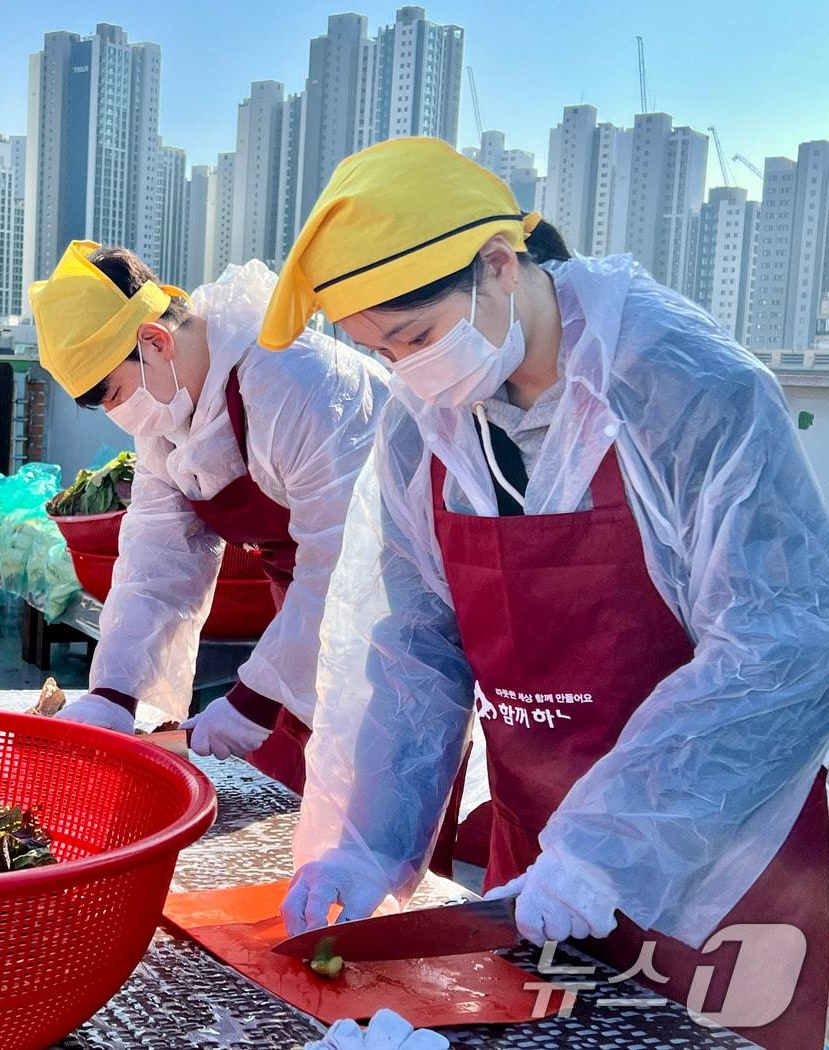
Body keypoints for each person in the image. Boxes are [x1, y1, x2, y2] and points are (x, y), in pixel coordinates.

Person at [264, 138, 828, 1049]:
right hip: (538, 858)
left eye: (413, 338)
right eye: (380, 350)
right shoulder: (428, 427)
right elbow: (417, 649)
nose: (408, 371)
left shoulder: (689, 389)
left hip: (721, 855)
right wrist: (372, 839)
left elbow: (781, 647)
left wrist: (612, 843)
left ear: (498, 264)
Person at [29, 241, 389, 793]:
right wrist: (113, 692)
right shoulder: (168, 419)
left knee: (375, 796)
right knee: (297, 794)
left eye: (115, 393)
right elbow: (156, 562)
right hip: (301, 614)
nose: (118, 415)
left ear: (155, 340)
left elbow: (343, 564)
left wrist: (257, 696)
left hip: (392, 614)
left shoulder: (295, 383)